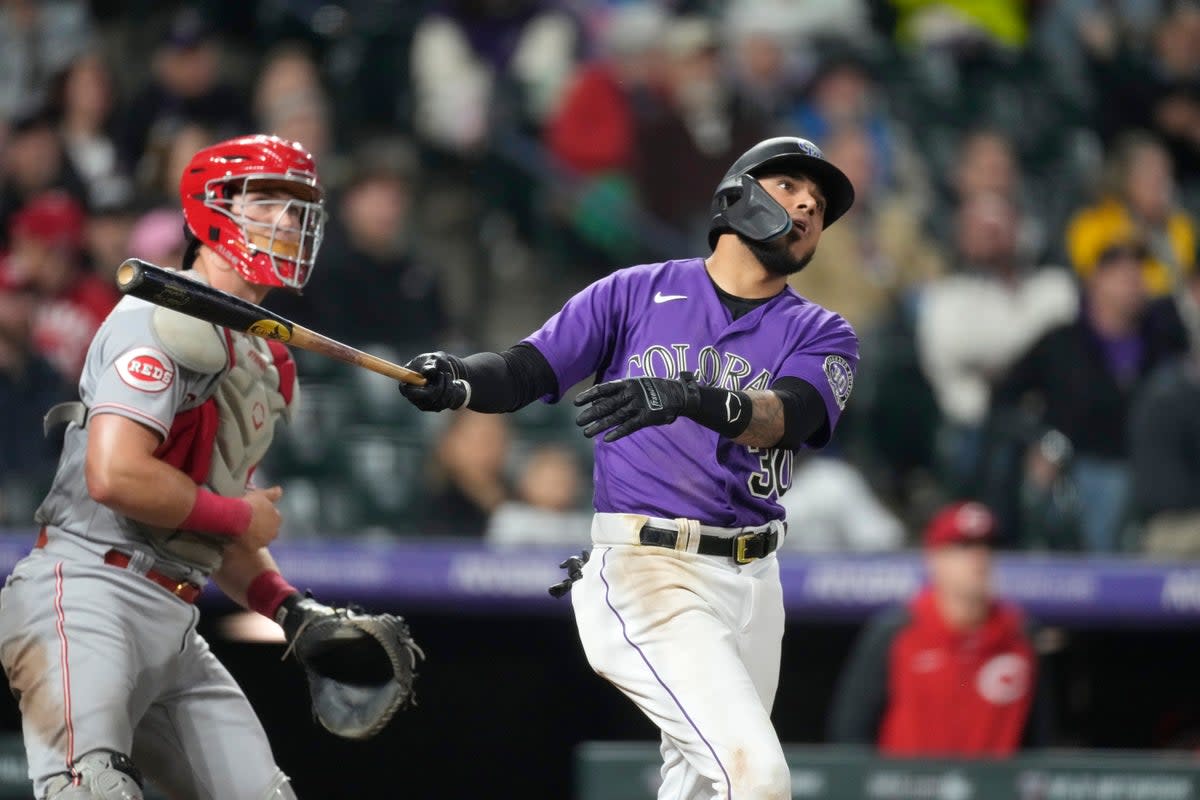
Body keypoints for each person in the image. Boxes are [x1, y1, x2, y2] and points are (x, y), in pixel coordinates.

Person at [398, 136, 859, 799]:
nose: (810, 204)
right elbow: (527, 369)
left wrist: (682, 396)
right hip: (652, 571)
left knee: (701, 786)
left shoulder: (823, 332)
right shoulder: (635, 292)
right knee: (757, 777)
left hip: (757, 580)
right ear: (739, 195)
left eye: (820, 204)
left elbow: (787, 417)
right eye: (791, 186)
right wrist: (459, 379)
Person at [0, 134, 380, 799]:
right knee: (87, 790)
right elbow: (114, 474)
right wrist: (240, 515)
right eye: (268, 202)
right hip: (89, 586)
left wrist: (288, 608)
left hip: (175, 614)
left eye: (297, 210)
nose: (288, 222)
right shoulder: (161, 314)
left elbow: (205, 519)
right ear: (211, 210)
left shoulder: (265, 360)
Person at [827, 501, 1053, 756]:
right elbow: (850, 731)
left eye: (987, 546)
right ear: (934, 558)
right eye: (963, 546)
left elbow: (1039, 743)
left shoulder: (1020, 636)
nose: (979, 558)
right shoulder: (897, 630)